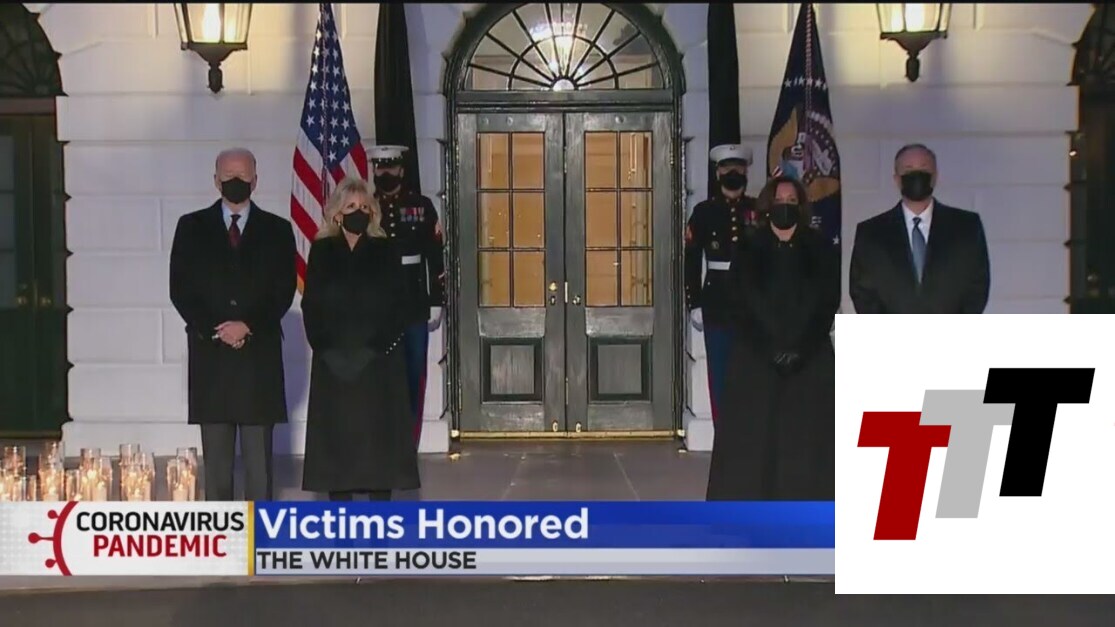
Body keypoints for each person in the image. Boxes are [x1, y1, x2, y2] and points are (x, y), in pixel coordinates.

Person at [169, 147, 297, 501]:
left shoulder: (278, 230)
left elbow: (283, 290)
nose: (235, 181)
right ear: (216, 181)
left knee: (259, 473)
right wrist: (219, 329)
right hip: (212, 361)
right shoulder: (190, 227)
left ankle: (260, 535)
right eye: (228, 176)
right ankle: (221, 535)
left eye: (242, 175)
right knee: (217, 474)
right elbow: (181, 289)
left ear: (255, 180)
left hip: (258, 362)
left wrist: (247, 325)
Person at [706, 175, 840, 501]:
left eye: (791, 201)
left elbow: (827, 302)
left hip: (808, 357)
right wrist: (769, 349)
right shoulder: (748, 247)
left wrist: (800, 349)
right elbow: (739, 303)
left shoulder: (820, 247)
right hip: (756, 357)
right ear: (768, 205)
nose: (785, 206)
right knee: (753, 441)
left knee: (807, 438)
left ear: (801, 207)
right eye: (779, 200)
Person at [300, 177, 419, 501]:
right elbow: (312, 305)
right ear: (337, 213)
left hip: (377, 365)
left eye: (365, 207)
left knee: (378, 454)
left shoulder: (385, 250)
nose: (359, 213)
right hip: (333, 365)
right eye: (351, 206)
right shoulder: (322, 251)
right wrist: (326, 349)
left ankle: (378, 526)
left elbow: (398, 307)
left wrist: (372, 350)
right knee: (337, 455)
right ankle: (342, 528)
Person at [849, 143, 991, 314]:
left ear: (935, 176)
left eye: (923, 169)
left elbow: (977, 288)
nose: (916, 176)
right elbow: (863, 293)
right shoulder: (871, 234)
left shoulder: (966, 227)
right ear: (896, 179)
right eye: (908, 170)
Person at [368, 145, 446, 445]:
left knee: (413, 374)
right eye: (380, 168)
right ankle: (382, 444)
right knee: (379, 378)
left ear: (401, 169)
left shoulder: (420, 206)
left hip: (412, 302)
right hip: (376, 307)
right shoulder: (366, 207)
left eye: (390, 167)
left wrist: (436, 298)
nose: (385, 173)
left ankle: (408, 444)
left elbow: (435, 254)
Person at [684, 144, 758, 424]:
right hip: (717, 302)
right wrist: (694, 302)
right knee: (720, 373)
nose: (733, 173)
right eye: (727, 168)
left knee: (751, 374)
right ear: (718, 173)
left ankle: (749, 432)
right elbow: (692, 259)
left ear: (746, 172)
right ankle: (723, 432)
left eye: (738, 168)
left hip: (753, 304)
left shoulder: (757, 210)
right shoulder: (704, 212)